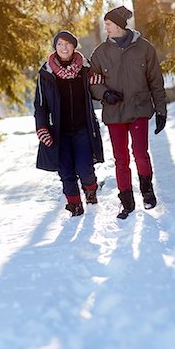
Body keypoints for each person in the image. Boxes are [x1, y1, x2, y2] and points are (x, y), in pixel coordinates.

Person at [89, 6, 167, 219]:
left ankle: (147, 191)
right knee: (120, 158)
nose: (106, 28)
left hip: (139, 108)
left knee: (140, 153)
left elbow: (156, 82)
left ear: (120, 26)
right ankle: (126, 201)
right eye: (105, 24)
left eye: (109, 24)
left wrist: (161, 110)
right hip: (114, 113)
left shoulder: (144, 48)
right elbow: (93, 82)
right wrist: (105, 94)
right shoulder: (100, 53)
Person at [34, 30, 104, 217]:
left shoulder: (84, 69)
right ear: (55, 48)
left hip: (82, 128)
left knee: (85, 167)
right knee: (66, 170)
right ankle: (74, 204)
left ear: (74, 46)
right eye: (59, 44)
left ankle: (91, 189)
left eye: (67, 44)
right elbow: (40, 104)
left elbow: (98, 85)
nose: (63, 48)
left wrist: (100, 85)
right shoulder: (46, 73)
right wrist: (41, 127)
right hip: (59, 131)